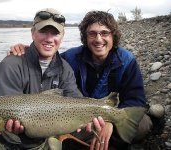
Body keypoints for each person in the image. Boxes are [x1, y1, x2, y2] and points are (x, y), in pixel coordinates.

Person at [8, 10, 153, 150]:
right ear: (85, 37)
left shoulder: (126, 60)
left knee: (143, 125)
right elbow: (45, 63)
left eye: (104, 33)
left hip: (110, 112)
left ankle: (99, 140)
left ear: (113, 36)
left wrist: (110, 123)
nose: (98, 39)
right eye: (92, 34)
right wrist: (25, 53)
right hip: (78, 118)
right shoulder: (70, 58)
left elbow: (136, 99)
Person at [0, 8, 97, 150]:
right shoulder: (10, 65)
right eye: (43, 32)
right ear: (32, 33)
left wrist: (94, 117)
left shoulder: (65, 69)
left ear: (62, 36)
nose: (49, 39)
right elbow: (6, 110)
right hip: (10, 145)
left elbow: (76, 101)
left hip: (48, 142)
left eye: (55, 33)